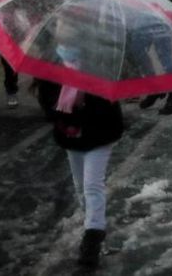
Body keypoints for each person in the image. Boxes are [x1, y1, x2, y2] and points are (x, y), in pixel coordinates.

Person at [44, 35, 123, 269]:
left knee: (92, 185)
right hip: (72, 136)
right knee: (81, 187)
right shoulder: (52, 66)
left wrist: (81, 106)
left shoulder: (99, 64)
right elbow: (47, 106)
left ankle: (92, 240)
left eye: (68, 30)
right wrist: (62, 111)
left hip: (99, 135)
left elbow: (107, 108)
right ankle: (92, 227)